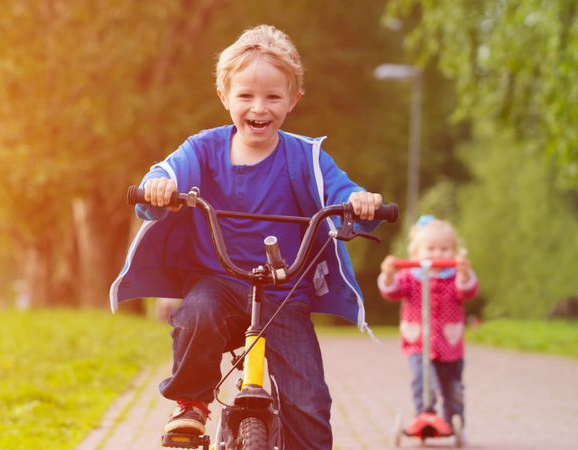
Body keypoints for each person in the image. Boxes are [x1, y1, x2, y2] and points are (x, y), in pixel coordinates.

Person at [108, 25, 386, 449]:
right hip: (216, 284)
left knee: (309, 402)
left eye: (274, 97)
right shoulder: (203, 149)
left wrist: (361, 202)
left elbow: (341, 194)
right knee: (196, 313)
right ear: (225, 96)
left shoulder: (304, 156)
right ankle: (191, 405)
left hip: (284, 294)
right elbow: (164, 174)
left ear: (293, 100)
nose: (260, 107)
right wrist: (159, 186)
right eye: (246, 96)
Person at [379, 215, 478, 426]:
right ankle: (425, 415)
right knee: (422, 380)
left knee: (454, 389)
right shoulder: (409, 276)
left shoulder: (455, 277)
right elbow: (392, 291)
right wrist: (388, 274)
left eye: (444, 249)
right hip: (418, 343)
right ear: (416, 253)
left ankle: (454, 423)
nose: (437, 254)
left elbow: (467, 291)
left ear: (454, 252)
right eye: (430, 249)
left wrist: (465, 272)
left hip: (449, 345)